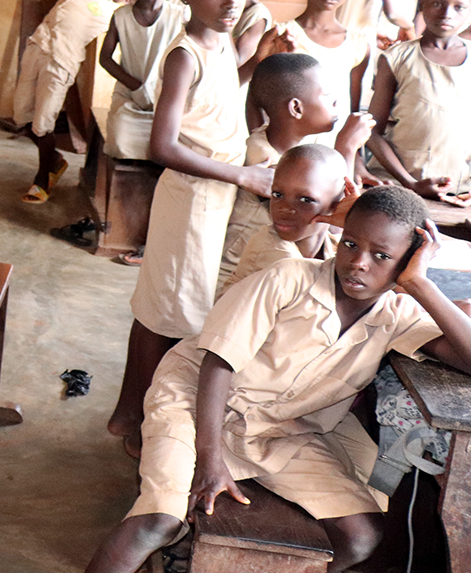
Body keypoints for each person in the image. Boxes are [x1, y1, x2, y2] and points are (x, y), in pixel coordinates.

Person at [83, 187, 471, 573]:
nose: (358, 263)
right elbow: (217, 364)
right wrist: (210, 459)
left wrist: (421, 284)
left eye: (382, 256)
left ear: (409, 260)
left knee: (362, 537)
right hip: (195, 403)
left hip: (279, 434)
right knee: (159, 520)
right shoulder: (287, 279)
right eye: (351, 244)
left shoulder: (398, 314)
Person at [106, 0, 271, 455]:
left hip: (214, 195)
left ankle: (131, 412)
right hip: (192, 198)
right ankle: (143, 420)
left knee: (168, 304)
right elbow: (164, 144)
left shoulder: (222, 46)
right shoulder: (182, 55)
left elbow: (218, 102)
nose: (230, 2)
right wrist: (240, 174)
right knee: (170, 312)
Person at [218, 53, 369, 293]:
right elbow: (334, 224)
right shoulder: (266, 160)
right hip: (249, 278)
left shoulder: (273, 141)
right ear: (296, 108)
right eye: (327, 95)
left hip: (273, 272)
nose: (336, 102)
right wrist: (347, 149)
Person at [12, 0, 133, 203]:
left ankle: (43, 179)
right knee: (20, 116)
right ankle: (54, 160)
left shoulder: (115, 14)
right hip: (37, 48)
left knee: (43, 123)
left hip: (60, 62)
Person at [366, 0, 471, 203]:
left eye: (459, 7)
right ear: (422, 2)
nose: (447, 14)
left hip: (457, 193)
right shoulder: (397, 58)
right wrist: (409, 182)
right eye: (438, 3)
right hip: (398, 186)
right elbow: (372, 132)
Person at [265, 0, 371, 137]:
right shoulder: (283, 36)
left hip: (334, 151)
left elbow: (352, 110)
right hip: (289, 150)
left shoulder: (357, 44)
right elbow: (261, 100)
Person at [221, 144, 350, 296]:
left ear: (338, 204)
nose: (284, 208)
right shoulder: (274, 256)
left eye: (305, 199)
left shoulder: (331, 245)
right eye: (277, 195)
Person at [101, 0, 183, 162]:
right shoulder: (120, 16)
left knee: (173, 142)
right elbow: (105, 58)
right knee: (120, 138)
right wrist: (135, 85)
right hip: (129, 96)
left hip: (165, 100)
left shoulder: (179, 17)